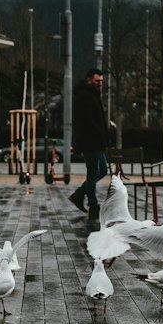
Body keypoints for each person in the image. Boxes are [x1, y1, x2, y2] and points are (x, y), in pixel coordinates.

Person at [69, 68, 109, 220]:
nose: (100, 83)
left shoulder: (91, 94)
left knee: (102, 171)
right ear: (89, 80)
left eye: (101, 81)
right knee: (93, 174)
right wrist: (100, 133)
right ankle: (93, 205)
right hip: (91, 141)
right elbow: (88, 120)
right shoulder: (85, 96)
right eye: (97, 80)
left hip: (96, 141)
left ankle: (80, 194)